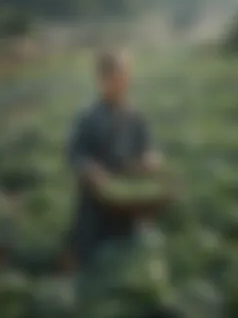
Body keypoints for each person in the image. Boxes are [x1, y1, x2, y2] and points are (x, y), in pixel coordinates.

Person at [65, 49, 174, 317]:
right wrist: (91, 169)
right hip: (96, 213)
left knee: (128, 275)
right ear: (101, 80)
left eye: (125, 75)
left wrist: (151, 159)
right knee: (95, 276)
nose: (122, 81)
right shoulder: (89, 117)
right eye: (115, 76)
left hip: (130, 213)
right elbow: (74, 154)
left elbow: (149, 148)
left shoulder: (134, 116)